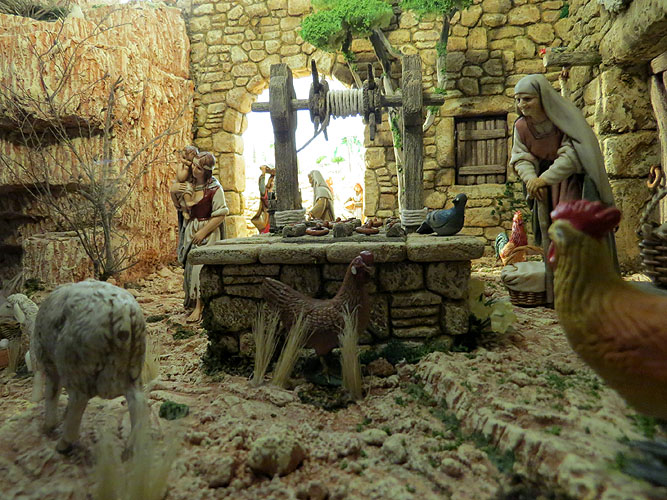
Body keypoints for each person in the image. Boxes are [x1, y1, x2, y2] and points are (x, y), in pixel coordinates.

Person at [509, 74, 617, 305]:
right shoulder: (521, 126)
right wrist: (531, 179)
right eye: (518, 100)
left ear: (542, 98)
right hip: (545, 190)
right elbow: (521, 157)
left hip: (572, 186)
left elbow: (572, 155)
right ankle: (559, 293)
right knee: (553, 240)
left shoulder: (564, 120)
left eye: (527, 99)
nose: (522, 105)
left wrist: (544, 179)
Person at [173, 151, 228, 322]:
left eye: (198, 167)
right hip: (191, 229)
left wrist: (203, 231)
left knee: (200, 269)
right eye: (194, 165)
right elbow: (180, 206)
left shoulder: (215, 189)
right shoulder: (190, 185)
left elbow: (221, 214)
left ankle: (200, 307)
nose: (193, 169)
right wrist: (173, 192)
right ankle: (192, 303)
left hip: (207, 232)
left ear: (206, 171)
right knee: (190, 269)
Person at [171, 145, 198, 220]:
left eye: (189, 160)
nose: (185, 161)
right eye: (183, 158)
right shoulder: (181, 166)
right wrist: (186, 170)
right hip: (182, 185)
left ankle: (187, 210)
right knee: (186, 188)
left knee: (189, 188)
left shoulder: (193, 168)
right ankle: (185, 209)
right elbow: (181, 178)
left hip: (190, 187)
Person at [251, 164, 275, 233]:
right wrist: (263, 174)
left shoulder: (277, 192)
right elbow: (262, 188)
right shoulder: (266, 192)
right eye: (272, 180)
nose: (273, 182)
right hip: (267, 220)